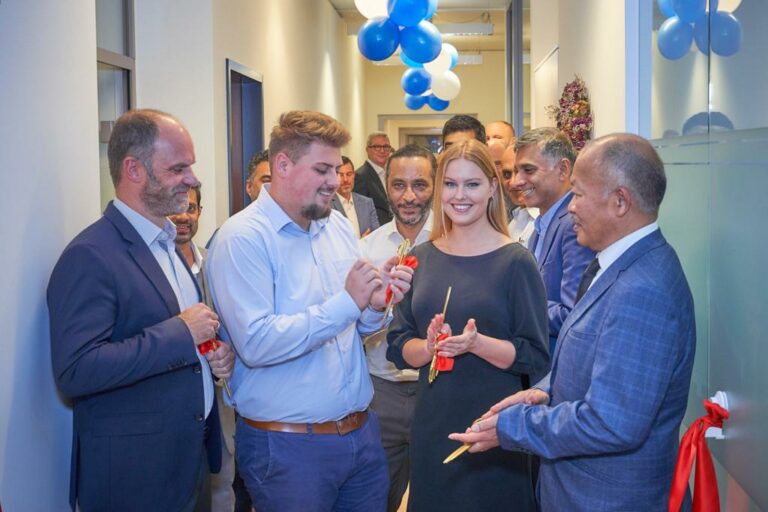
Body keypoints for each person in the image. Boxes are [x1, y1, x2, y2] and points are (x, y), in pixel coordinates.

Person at [450, 133, 696, 511]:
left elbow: (610, 422)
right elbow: (592, 363)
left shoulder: (643, 290)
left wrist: (515, 426)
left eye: (578, 194)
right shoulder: (617, 264)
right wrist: (543, 392)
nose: (571, 207)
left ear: (620, 202)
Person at [206, 110, 414, 511]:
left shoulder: (335, 226)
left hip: (360, 435)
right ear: (283, 165)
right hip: (287, 447)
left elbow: (355, 327)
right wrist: (348, 302)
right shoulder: (242, 239)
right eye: (322, 169)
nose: (335, 181)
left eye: (336, 169)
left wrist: (375, 303)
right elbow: (257, 343)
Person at [47, 109, 234, 512]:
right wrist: (181, 333)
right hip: (135, 480)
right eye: (178, 168)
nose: (193, 179)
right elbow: (76, 370)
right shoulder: (91, 255)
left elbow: (181, 335)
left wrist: (213, 354)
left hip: (190, 463)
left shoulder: (168, 245)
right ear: (133, 169)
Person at [387, 139, 549, 512]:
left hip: (494, 428)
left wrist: (477, 344)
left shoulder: (516, 262)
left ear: (492, 188)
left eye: (472, 184)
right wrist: (429, 347)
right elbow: (399, 345)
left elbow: (535, 357)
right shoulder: (421, 257)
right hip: (433, 427)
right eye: (450, 183)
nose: (459, 195)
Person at [359, 144, 436, 512]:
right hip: (381, 393)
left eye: (419, 185)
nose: (409, 197)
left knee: (437, 497)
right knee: (378, 498)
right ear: (385, 186)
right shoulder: (366, 250)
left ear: (435, 186)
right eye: (399, 185)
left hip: (437, 389)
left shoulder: (455, 244)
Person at [170, 185, 237, 512]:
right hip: (174, 407)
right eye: (176, 208)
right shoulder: (154, 268)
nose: (183, 216)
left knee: (222, 487)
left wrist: (229, 352)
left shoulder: (216, 262)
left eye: (191, 208)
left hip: (219, 406)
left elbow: (237, 326)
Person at [513, 128, 595, 353]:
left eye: (528, 170)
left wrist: (515, 305)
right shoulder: (541, 225)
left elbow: (573, 313)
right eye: (516, 171)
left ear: (563, 170)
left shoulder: (573, 224)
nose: (517, 181)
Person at [332, 155, 379, 237]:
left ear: (354, 175)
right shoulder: (326, 206)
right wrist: (360, 242)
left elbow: (377, 235)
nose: (345, 180)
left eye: (349, 174)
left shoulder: (367, 203)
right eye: (341, 175)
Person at [501, 144, 538, 245]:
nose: (513, 182)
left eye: (526, 171)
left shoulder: (547, 221)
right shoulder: (514, 220)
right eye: (507, 174)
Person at [354, 131, 394, 225]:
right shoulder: (360, 176)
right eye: (377, 147)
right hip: (375, 230)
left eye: (386, 147)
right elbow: (360, 212)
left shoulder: (390, 173)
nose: (382, 151)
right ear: (367, 150)